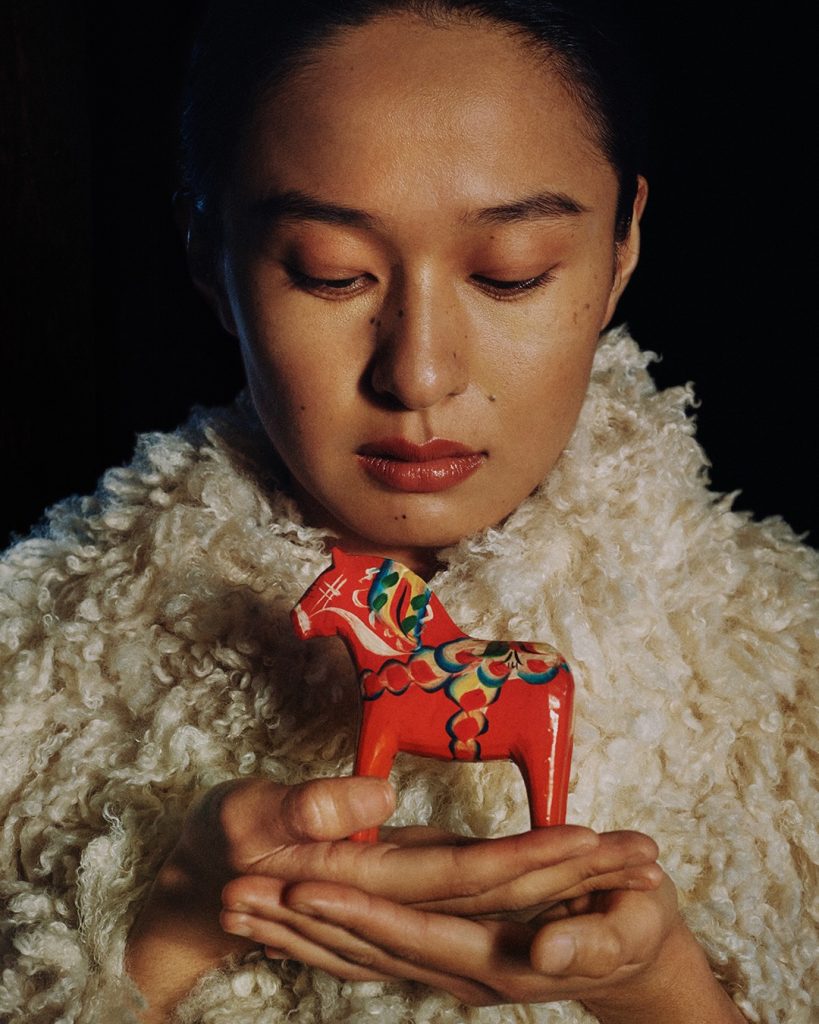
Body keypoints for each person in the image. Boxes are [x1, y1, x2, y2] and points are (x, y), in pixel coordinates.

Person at [1, 2, 815, 1022]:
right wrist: (165, 939)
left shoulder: (799, 673)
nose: (419, 372)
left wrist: (666, 996)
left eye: (511, 274)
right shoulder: (23, 661)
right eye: (330, 273)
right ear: (210, 254)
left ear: (620, 248)